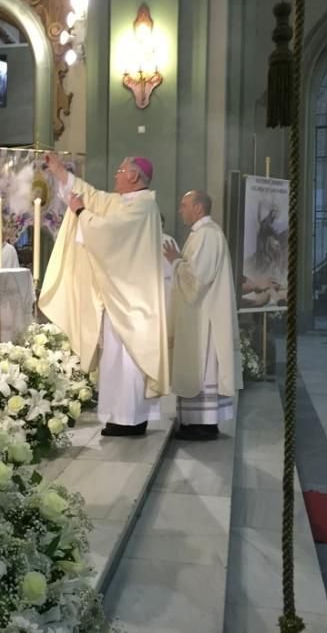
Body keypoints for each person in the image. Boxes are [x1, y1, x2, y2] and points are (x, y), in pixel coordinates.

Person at [39, 153, 169, 437]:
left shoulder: (142, 207)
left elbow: (110, 232)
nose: (116, 175)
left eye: (121, 170)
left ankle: (131, 420)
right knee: (116, 359)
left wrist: (81, 214)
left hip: (134, 303)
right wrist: (60, 172)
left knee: (129, 359)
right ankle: (122, 417)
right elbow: (92, 196)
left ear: (134, 176)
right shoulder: (125, 203)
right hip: (120, 297)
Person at [163, 191, 242, 441]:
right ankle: (194, 422)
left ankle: (204, 424)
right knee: (198, 367)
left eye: (184, 205)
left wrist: (176, 261)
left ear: (198, 208)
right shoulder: (201, 234)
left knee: (204, 367)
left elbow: (198, 280)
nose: (180, 210)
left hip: (205, 320)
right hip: (198, 316)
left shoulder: (208, 235)